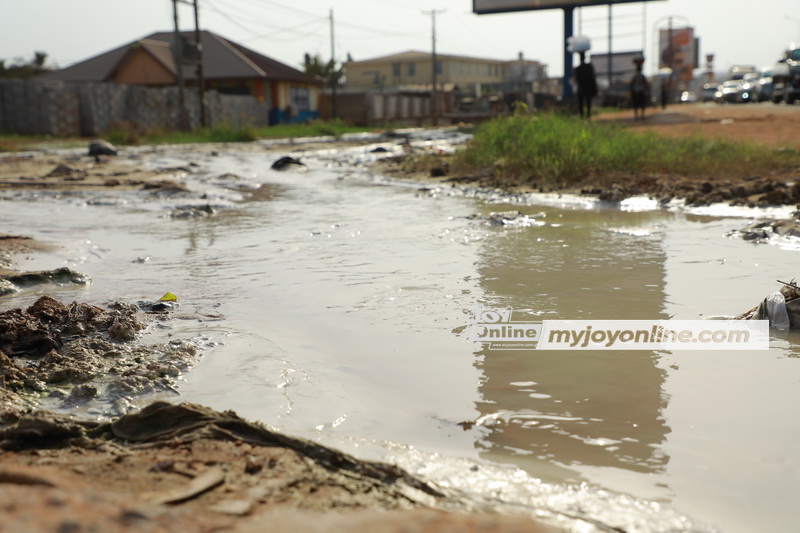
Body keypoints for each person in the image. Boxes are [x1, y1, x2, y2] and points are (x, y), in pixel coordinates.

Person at [574, 51, 598, 120]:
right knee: (588, 101)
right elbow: (593, 77)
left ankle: (582, 116)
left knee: (581, 103)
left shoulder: (578, 68)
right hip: (588, 88)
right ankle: (588, 115)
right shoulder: (589, 67)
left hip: (581, 88)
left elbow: (576, 79)